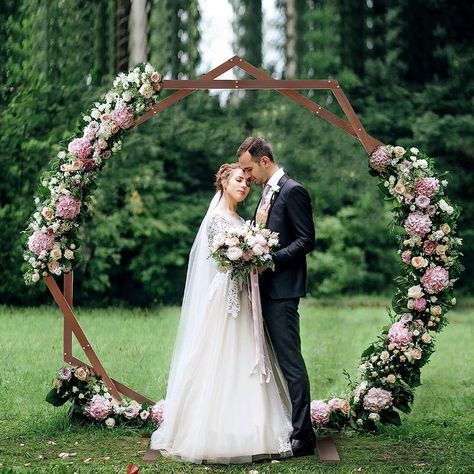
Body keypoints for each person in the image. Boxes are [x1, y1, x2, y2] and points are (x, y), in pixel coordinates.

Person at [150, 163, 293, 464]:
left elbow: (250, 254)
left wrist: (256, 244)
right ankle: (211, 432)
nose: (244, 186)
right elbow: (222, 263)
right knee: (220, 358)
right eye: (238, 181)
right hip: (226, 297)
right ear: (224, 183)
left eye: (247, 182)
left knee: (248, 358)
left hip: (246, 296)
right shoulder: (216, 219)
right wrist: (244, 256)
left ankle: (254, 430)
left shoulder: (243, 219)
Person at [237, 136, 316, 457]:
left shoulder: (292, 191)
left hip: (282, 291)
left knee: (290, 362)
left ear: (265, 161)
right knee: (272, 360)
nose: (247, 176)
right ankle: (280, 423)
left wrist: (269, 260)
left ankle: (303, 436)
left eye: (249, 168)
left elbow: (306, 240)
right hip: (263, 290)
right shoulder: (267, 193)